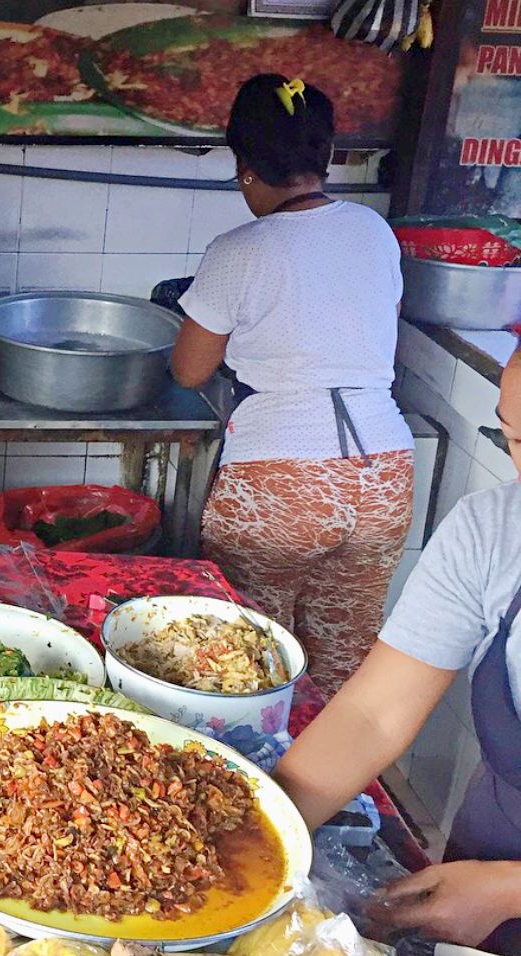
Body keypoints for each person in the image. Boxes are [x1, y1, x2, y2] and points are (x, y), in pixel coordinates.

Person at [171, 74, 414, 696]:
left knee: (247, 657)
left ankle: (259, 778)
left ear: (244, 167)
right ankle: (334, 790)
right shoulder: (373, 230)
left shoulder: (239, 249)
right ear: (326, 156)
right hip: (384, 473)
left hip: (282, 481)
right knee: (344, 659)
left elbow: (189, 369)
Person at [275, 347, 521, 955]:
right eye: (515, 437)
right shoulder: (495, 529)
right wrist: (255, 827)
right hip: (479, 868)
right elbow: (373, 713)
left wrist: (510, 891)